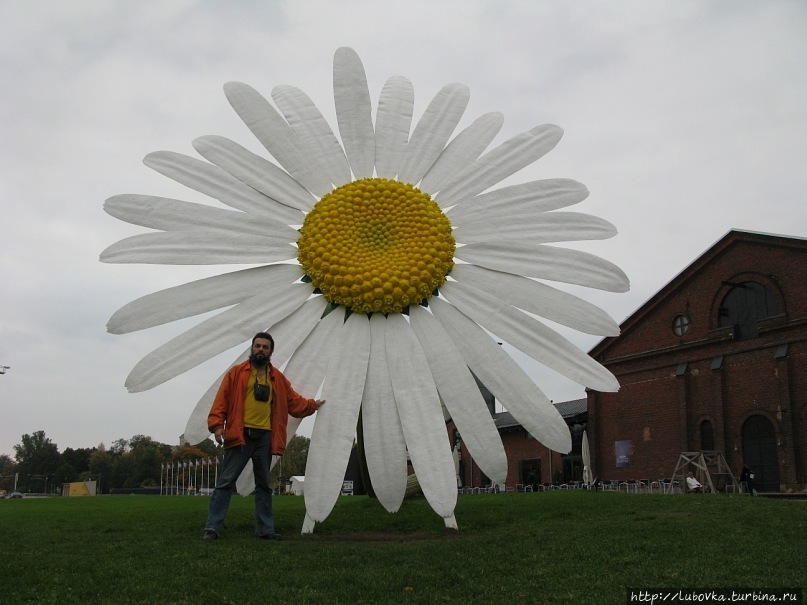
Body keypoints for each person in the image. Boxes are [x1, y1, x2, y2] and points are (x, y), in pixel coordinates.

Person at [203, 332, 325, 541]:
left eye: (265, 347)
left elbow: (294, 403)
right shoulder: (236, 374)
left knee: (263, 485)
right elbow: (221, 400)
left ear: (271, 351)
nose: (260, 349)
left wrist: (313, 405)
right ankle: (212, 529)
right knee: (225, 483)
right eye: (257, 346)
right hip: (240, 436)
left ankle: (265, 529)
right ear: (252, 348)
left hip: (265, 438)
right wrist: (216, 426)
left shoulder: (276, 378)